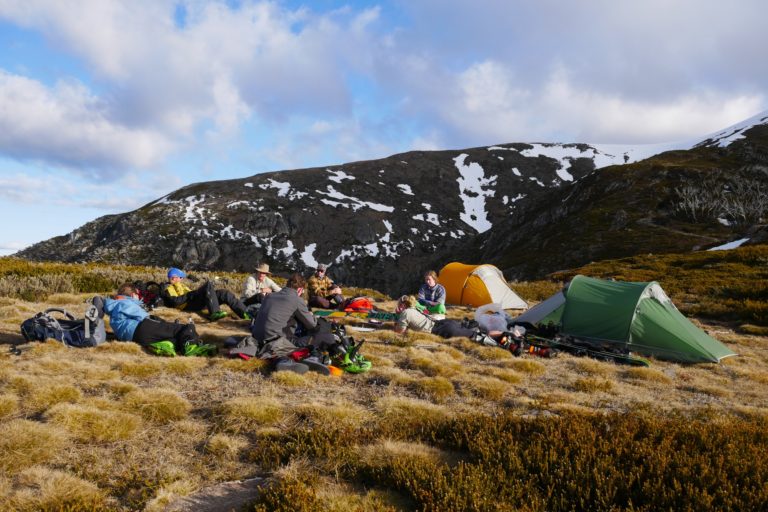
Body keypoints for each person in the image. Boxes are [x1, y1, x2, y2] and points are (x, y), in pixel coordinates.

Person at [250, 273, 339, 373]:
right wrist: (311, 315)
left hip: (256, 338)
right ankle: (307, 358)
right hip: (277, 341)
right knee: (325, 337)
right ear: (300, 289)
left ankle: (284, 360)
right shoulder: (296, 299)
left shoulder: (269, 296)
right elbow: (312, 325)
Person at [103, 283, 215, 356]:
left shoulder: (113, 307)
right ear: (133, 295)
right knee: (184, 327)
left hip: (135, 337)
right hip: (140, 327)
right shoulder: (124, 302)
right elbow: (142, 316)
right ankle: (191, 347)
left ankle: (167, 345)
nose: (139, 297)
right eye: (138, 295)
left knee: (172, 334)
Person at [394, 295, 499, 344]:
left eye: (398, 305)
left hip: (443, 330)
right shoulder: (415, 308)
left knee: (478, 338)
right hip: (444, 323)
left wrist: (398, 317)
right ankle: (504, 335)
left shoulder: (405, 313)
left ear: (402, 305)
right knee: (478, 332)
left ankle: (505, 340)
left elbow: (399, 332)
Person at [161, 267, 250, 321]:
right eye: (180, 277)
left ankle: (245, 313)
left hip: (194, 301)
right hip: (188, 305)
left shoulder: (181, 285)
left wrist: (193, 293)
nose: (181, 279)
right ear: (174, 277)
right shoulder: (167, 288)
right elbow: (175, 301)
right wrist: (191, 294)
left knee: (224, 293)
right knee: (207, 285)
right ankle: (214, 313)